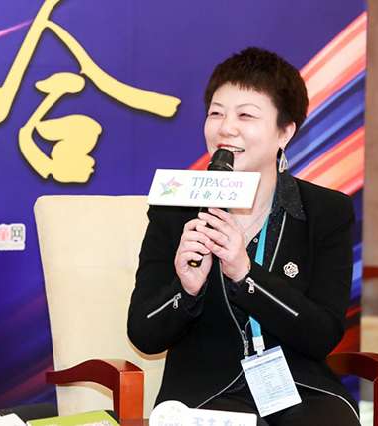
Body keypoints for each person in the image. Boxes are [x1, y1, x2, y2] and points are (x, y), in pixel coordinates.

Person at [127, 47, 359, 426]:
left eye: (246, 115)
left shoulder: (327, 211)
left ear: (285, 132)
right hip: (205, 392)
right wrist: (185, 290)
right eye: (216, 113)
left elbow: (323, 335)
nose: (226, 128)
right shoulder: (175, 207)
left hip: (300, 389)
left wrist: (246, 275)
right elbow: (143, 334)